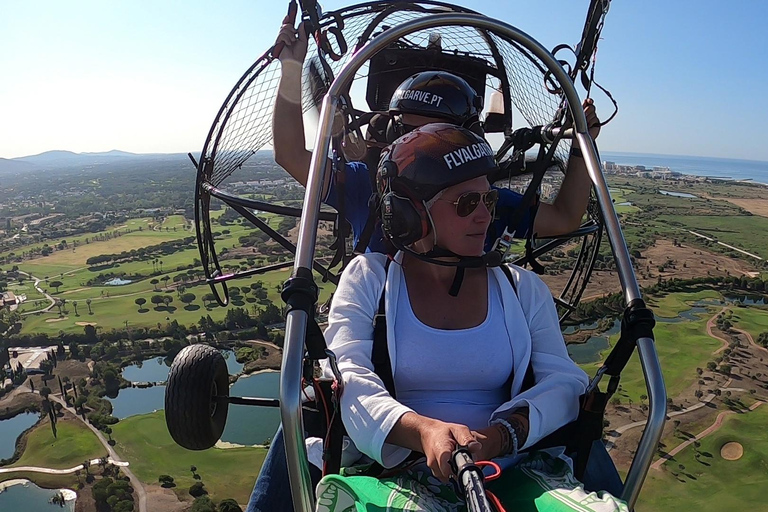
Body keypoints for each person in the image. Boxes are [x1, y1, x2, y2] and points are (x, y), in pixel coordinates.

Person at [312, 124, 625, 511]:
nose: (484, 217)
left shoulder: (520, 288)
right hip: (393, 473)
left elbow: (564, 382)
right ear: (412, 214)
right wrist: (424, 432)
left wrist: (502, 435)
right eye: (466, 204)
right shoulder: (369, 280)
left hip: (506, 471)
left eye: (488, 201)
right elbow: (348, 381)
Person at [271, 21, 601, 254]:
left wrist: (581, 146)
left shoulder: (484, 204)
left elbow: (564, 218)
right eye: (409, 134)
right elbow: (290, 154)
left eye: (436, 140)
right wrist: (291, 66)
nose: (419, 149)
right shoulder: (366, 187)